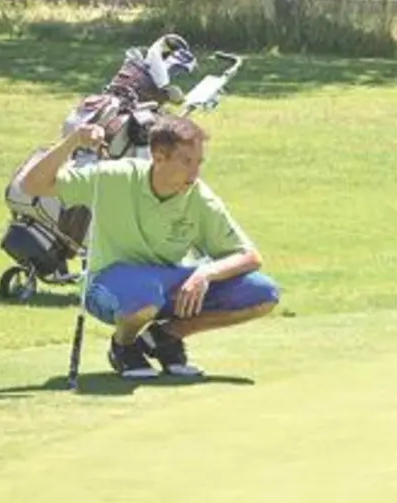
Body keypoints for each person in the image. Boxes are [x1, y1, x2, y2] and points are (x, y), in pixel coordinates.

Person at [17, 114, 281, 379]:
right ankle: (124, 346)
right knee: (145, 293)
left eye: (199, 162)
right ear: (158, 157)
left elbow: (250, 256)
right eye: (186, 162)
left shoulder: (199, 197)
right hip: (106, 285)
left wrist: (205, 273)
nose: (195, 172)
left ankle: (163, 338)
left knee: (262, 293)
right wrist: (72, 140)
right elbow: (32, 185)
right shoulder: (115, 177)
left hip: (167, 287)